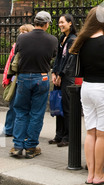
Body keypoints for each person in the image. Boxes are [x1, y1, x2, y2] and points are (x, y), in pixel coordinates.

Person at [69, 7, 104, 185]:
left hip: (87, 88)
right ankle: (100, 174)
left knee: (91, 132)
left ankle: (91, 174)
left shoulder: (81, 41)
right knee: (103, 134)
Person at [10, 11, 58, 159]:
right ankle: (31, 147)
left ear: (35, 22)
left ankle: (17, 146)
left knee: (21, 111)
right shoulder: (53, 40)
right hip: (42, 77)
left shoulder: (22, 37)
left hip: (24, 77)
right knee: (37, 113)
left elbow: (17, 53)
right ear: (47, 24)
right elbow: (53, 56)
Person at [1, 24, 34, 137]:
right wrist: (6, 78)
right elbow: (9, 63)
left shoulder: (31, 47)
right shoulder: (16, 46)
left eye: (24, 32)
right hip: (15, 79)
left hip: (26, 78)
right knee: (13, 105)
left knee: (24, 106)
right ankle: (9, 128)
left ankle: (22, 130)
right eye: (21, 32)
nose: (21, 34)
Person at [49, 14, 77, 147]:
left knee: (66, 107)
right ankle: (59, 135)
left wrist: (61, 75)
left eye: (62, 22)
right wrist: (54, 73)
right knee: (57, 106)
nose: (60, 24)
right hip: (59, 76)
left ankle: (68, 136)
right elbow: (58, 58)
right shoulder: (62, 38)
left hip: (67, 77)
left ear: (70, 23)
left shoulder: (73, 39)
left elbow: (69, 60)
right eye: (59, 22)